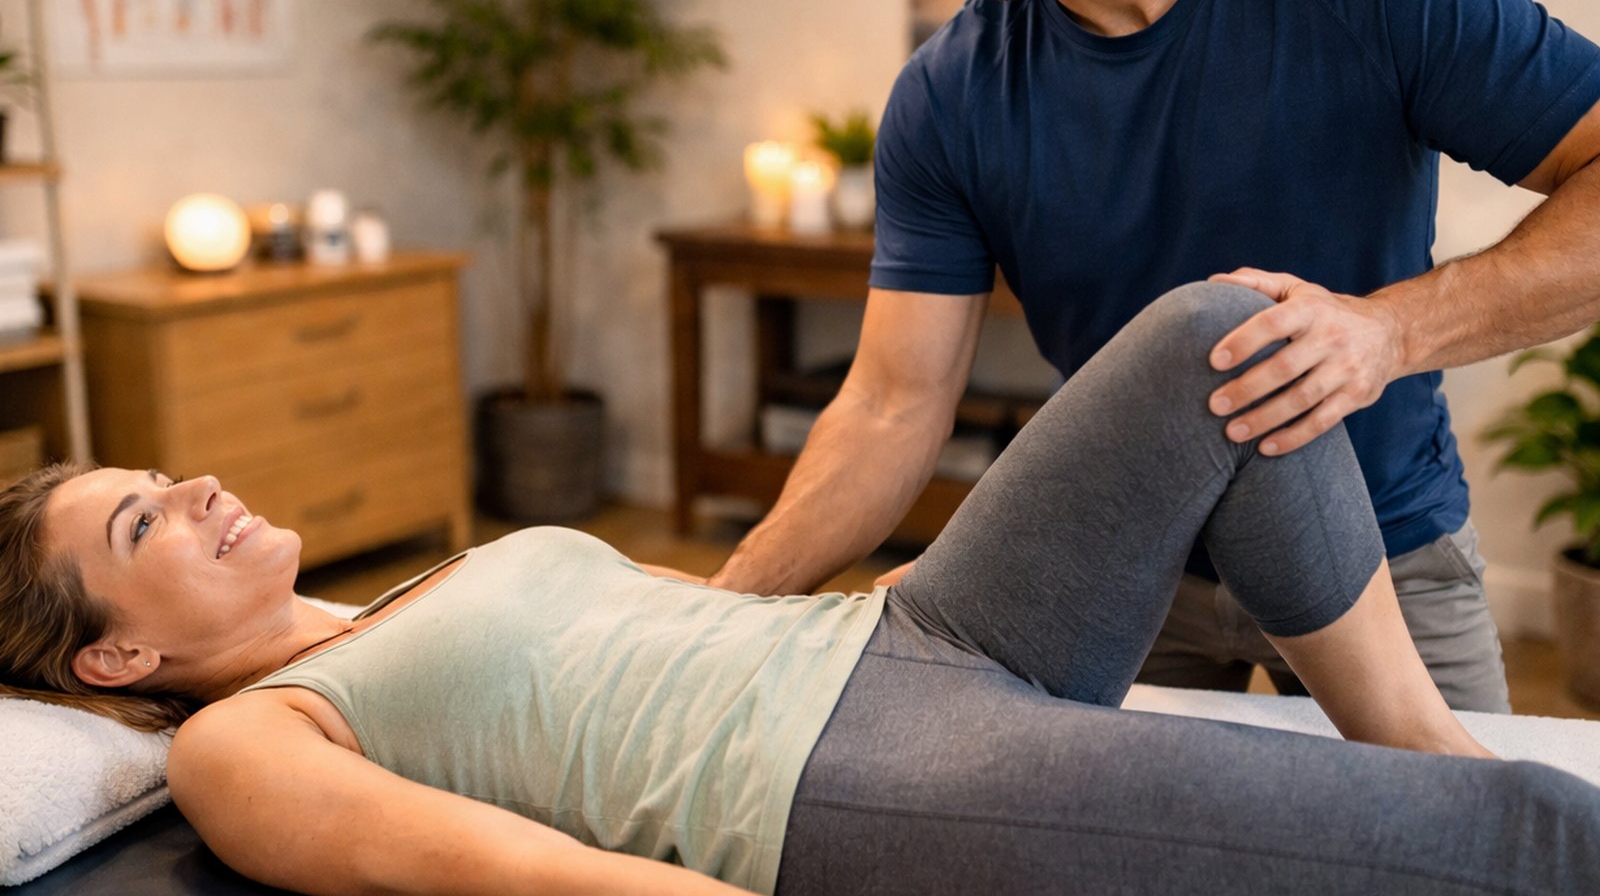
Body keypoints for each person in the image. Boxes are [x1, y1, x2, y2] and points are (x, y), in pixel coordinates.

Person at [3, 283, 1600, 895]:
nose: (197, 484)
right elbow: (528, 876)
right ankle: (1466, 801)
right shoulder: (246, 738)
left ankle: (1415, 741)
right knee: (1519, 840)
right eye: (143, 515)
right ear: (118, 647)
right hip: (845, 775)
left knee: (1228, 334)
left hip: (897, 635)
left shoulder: (421, 585)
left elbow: (681, 626)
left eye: (166, 471)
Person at [706, 0, 1600, 715]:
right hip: (1127, 576)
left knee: (1454, 845)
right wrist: (719, 611)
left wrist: (1391, 330)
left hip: (1387, 555)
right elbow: (889, 404)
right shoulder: (946, 97)